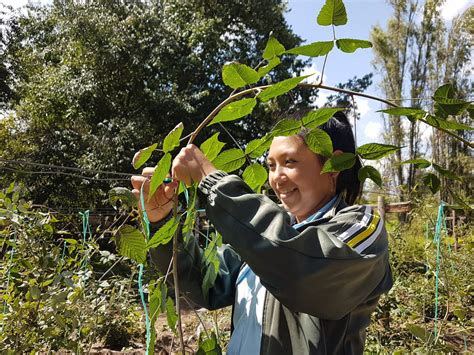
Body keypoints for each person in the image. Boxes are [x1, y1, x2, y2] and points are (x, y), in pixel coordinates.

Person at [131, 112, 393, 354]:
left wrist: (211, 181)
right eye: (270, 165)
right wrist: (163, 221)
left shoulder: (361, 227)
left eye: (289, 162)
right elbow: (203, 286)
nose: (277, 178)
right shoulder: (259, 236)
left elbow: (303, 272)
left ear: (333, 163)